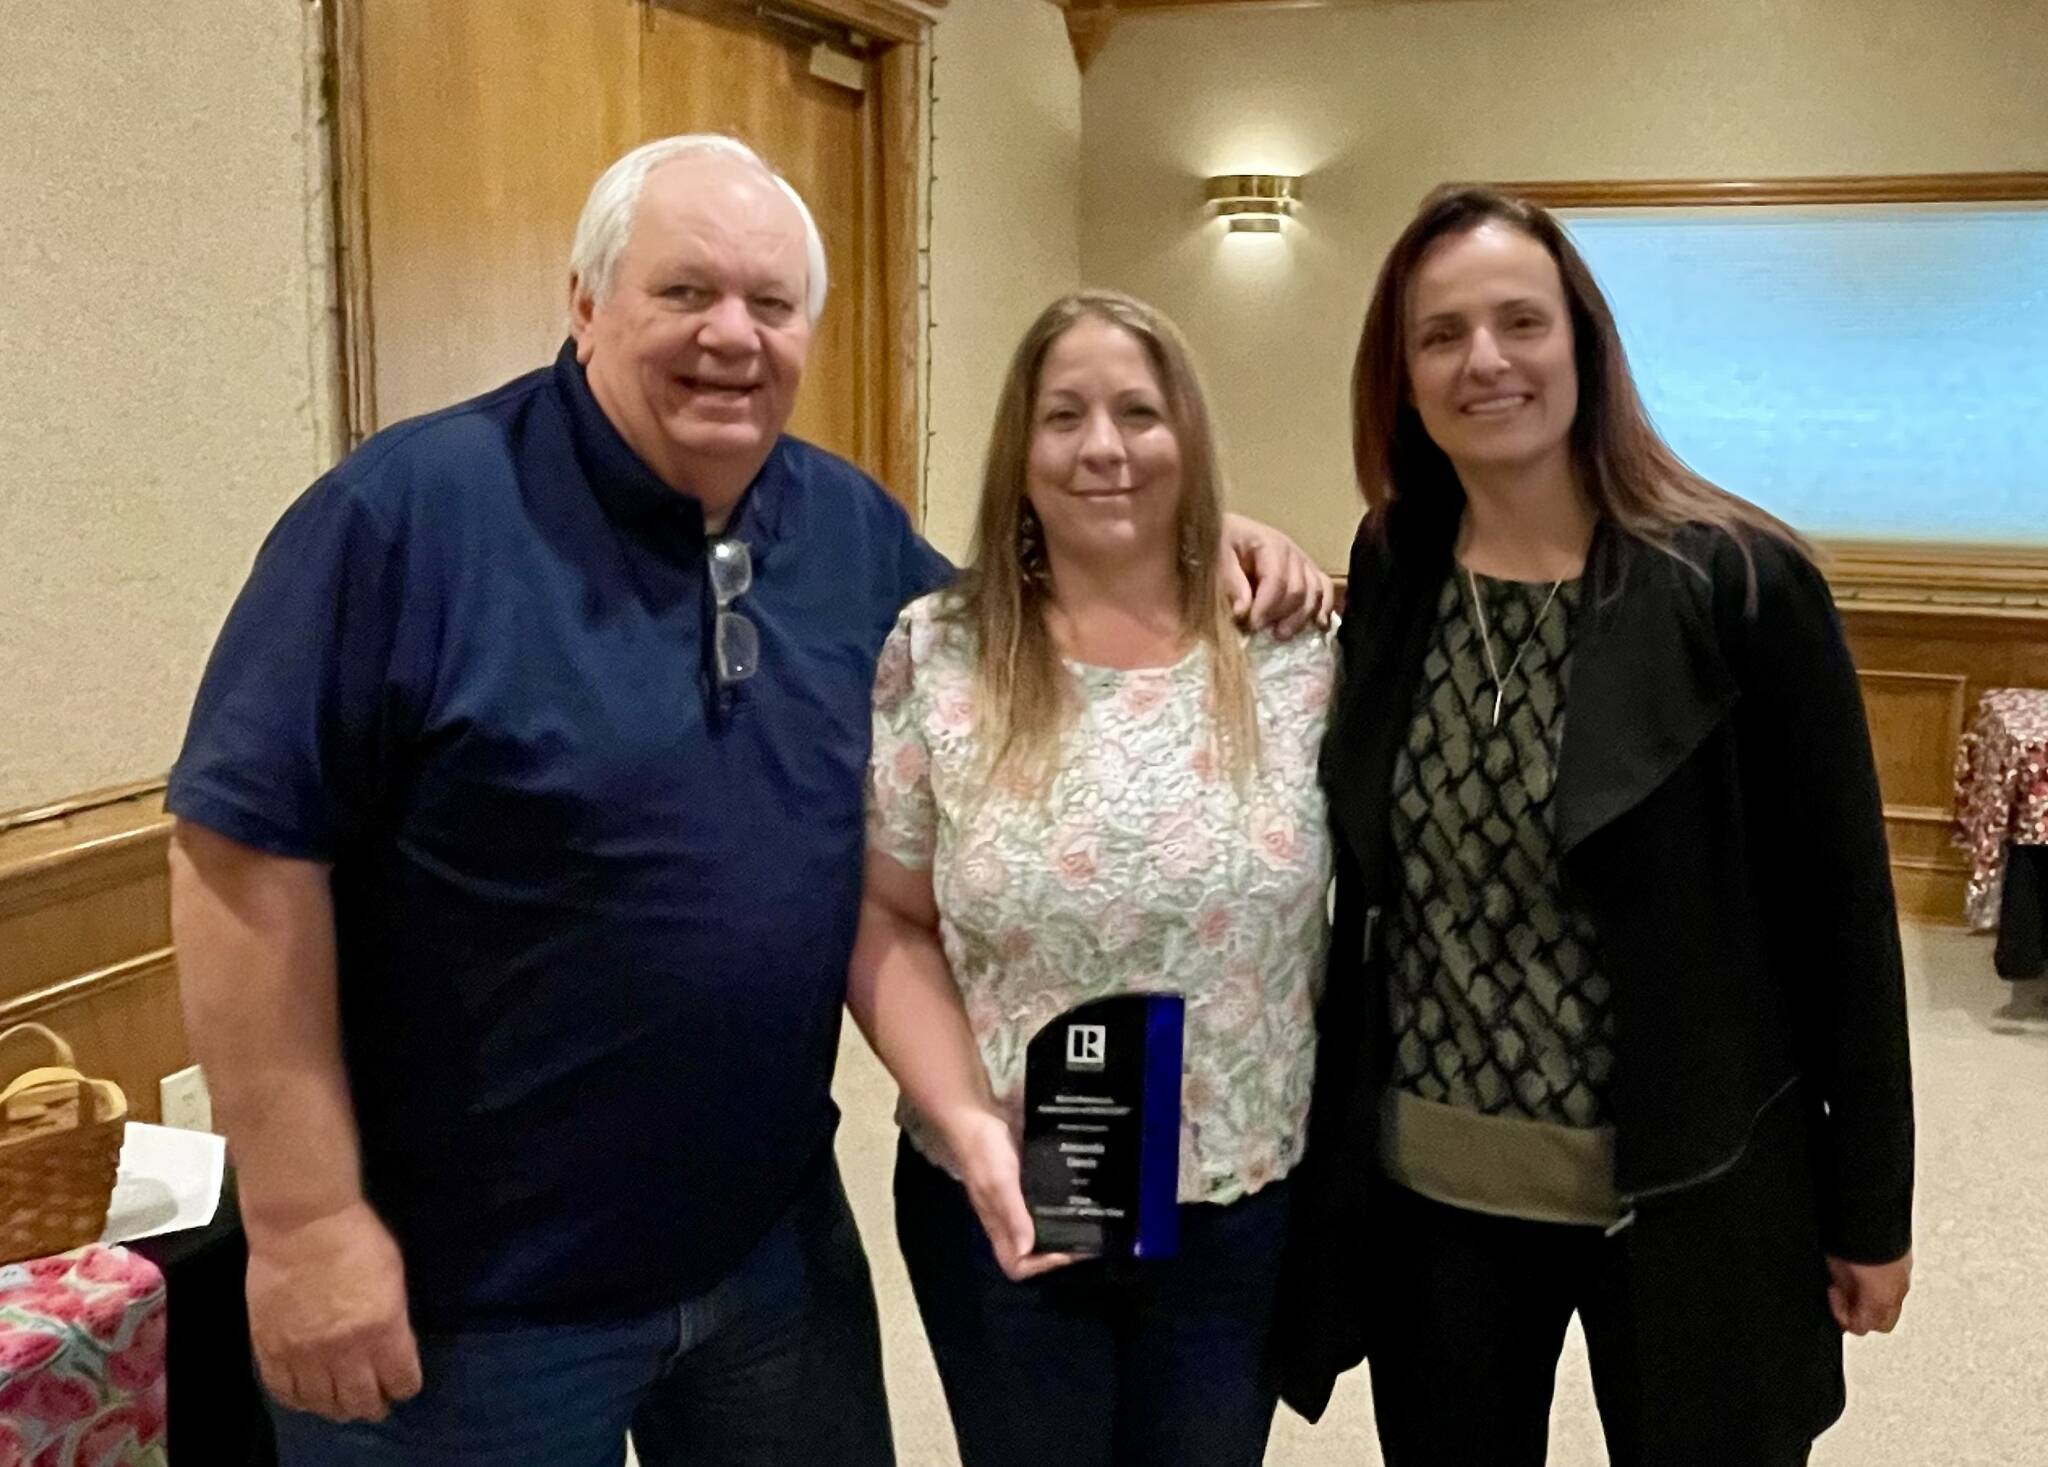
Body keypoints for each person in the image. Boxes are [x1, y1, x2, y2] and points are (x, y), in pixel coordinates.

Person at [165, 134, 1329, 1465]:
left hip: (767, 1256)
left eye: (771, 305)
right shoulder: (406, 515)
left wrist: (1205, 547)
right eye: (684, 293)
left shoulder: (846, 533)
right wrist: (306, 1220)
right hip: (470, 1298)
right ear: (586, 301)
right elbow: (238, 850)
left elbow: (1037, 637)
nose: (733, 335)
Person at [1279, 186, 1916, 1467]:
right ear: (1398, 375)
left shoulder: (1738, 584)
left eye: (1520, 322)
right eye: (1439, 334)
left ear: (1582, 344)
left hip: (1690, 1187)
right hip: (1434, 1197)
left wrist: (1868, 1210)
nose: (1485, 361)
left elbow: (1840, 917)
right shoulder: (1396, 559)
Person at [847, 289, 1337, 1467]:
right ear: (1020, 449)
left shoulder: (1293, 652)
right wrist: (966, 1124)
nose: (1102, 446)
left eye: (1137, 412)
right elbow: (887, 918)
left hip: (1238, 1202)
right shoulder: (939, 651)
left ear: (1190, 439)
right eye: (1062, 416)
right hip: (1006, 1197)